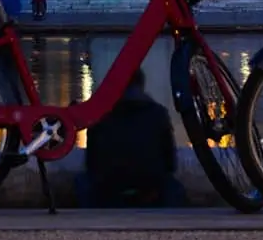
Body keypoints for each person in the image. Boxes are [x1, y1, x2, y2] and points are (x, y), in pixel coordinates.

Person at [79, 67, 184, 207]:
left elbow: (91, 162)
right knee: (174, 187)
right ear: (141, 85)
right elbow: (170, 162)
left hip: (108, 188)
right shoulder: (158, 113)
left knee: (82, 183)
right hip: (150, 188)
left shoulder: (101, 115)